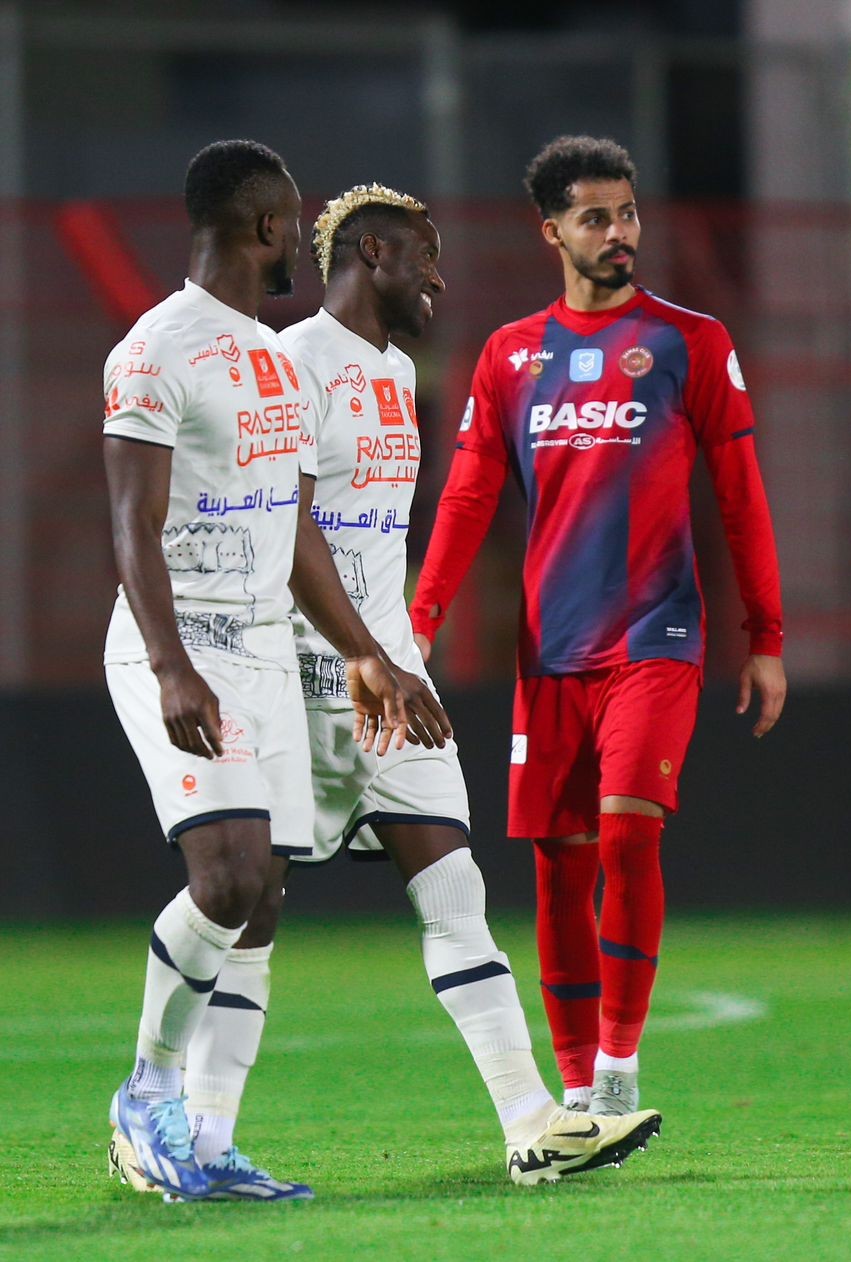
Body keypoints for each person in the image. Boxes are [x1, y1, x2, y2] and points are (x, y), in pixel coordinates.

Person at [275, 182, 658, 1182]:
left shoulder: (398, 371)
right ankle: (166, 1104)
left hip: (391, 678)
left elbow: (375, 538)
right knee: (239, 900)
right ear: (370, 253)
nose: (439, 277)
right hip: (305, 677)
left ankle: (533, 1124)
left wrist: (403, 646)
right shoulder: (293, 362)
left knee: (453, 884)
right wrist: (363, 652)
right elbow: (290, 529)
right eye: (424, 256)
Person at [409, 135, 786, 1116]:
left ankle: (618, 1063)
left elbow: (741, 496)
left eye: (627, 214)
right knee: (559, 863)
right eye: (595, 218)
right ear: (552, 233)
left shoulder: (688, 341)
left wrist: (766, 637)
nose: (619, 233)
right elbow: (467, 497)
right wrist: (420, 623)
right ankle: (575, 1089)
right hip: (550, 652)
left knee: (626, 834)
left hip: (658, 637)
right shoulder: (509, 356)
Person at [102, 139, 442, 1202]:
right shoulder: (155, 347)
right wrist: (170, 666)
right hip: (181, 640)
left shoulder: (276, 362)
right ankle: (146, 1092)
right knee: (227, 877)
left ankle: (207, 1143)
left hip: (260, 648)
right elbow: (132, 520)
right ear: (263, 227)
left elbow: (295, 530)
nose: (300, 238)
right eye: (293, 221)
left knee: (260, 904)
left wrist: (364, 654)